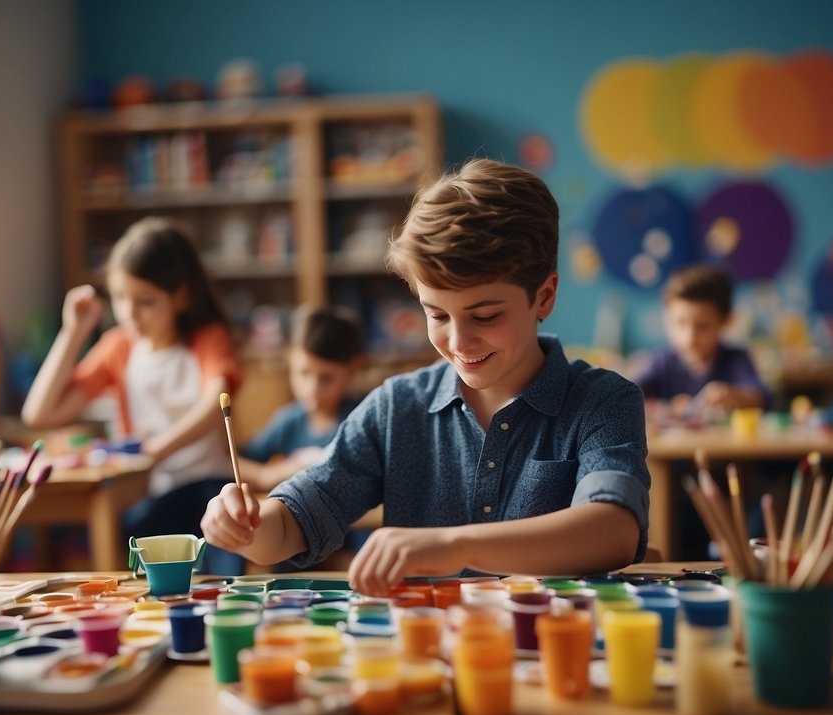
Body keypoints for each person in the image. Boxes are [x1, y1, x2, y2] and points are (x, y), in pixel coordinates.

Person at [200, 158, 649, 597]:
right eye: (436, 314)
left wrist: (454, 545)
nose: (459, 341)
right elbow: (301, 516)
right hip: (422, 656)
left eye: (486, 315)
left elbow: (613, 528)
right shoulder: (397, 407)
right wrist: (249, 527)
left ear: (544, 296)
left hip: (548, 654)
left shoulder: (603, 401)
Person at [21, 216, 244, 574]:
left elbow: (214, 405)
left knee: (222, 557)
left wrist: (155, 451)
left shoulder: (206, 340)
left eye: (146, 301)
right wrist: (73, 333)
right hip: (148, 495)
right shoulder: (118, 348)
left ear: (182, 297)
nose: (129, 313)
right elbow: (39, 414)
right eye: (120, 298)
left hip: (209, 490)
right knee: (133, 547)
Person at [238, 304, 368, 569]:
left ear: (354, 369)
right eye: (303, 373)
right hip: (289, 550)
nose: (312, 389)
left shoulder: (361, 420)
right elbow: (237, 460)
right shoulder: (290, 420)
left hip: (350, 548)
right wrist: (267, 475)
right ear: (289, 363)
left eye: (327, 378)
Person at [635, 263, 771, 422]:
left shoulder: (735, 359)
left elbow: (762, 399)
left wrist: (733, 395)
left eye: (702, 326)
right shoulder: (661, 362)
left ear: (726, 321)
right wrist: (664, 407)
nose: (689, 337)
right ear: (666, 316)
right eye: (680, 323)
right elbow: (627, 395)